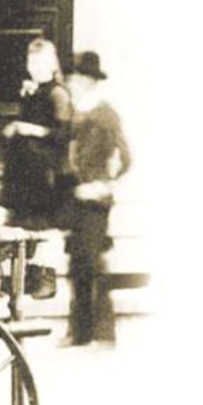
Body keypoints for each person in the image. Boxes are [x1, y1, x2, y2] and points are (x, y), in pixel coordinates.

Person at [63, 51, 131, 345]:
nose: (71, 83)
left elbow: (125, 157)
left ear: (89, 80)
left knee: (92, 264)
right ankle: (79, 333)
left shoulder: (105, 114)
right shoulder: (75, 113)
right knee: (77, 264)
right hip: (75, 199)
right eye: (71, 78)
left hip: (95, 203)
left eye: (76, 78)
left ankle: (103, 333)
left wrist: (104, 185)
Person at [0, 37, 73, 230]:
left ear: (52, 65)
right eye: (32, 62)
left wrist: (32, 130)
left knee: (36, 219)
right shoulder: (31, 91)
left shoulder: (58, 93)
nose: (35, 68)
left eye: (41, 62)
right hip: (24, 162)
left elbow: (64, 134)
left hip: (45, 163)